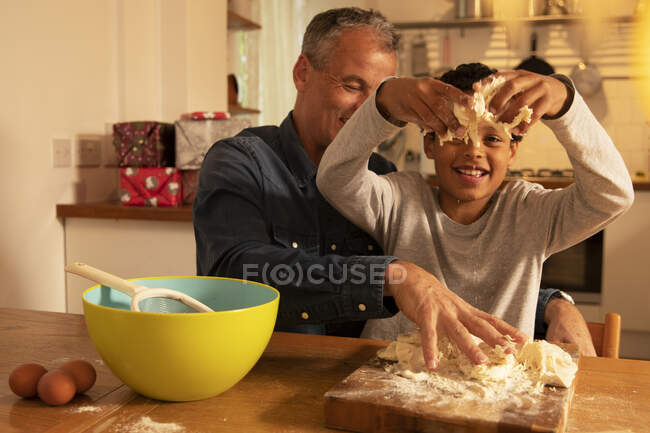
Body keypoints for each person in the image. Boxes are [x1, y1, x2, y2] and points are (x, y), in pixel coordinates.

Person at [193, 7, 596, 368]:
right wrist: (390, 275)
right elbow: (236, 272)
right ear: (302, 73)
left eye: (379, 95)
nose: (365, 110)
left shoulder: (383, 177)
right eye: (353, 86)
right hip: (260, 376)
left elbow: (448, 275)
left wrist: (552, 304)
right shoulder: (241, 161)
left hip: (364, 386)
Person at [316, 63, 634, 360]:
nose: (473, 151)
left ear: (512, 151)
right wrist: (384, 104)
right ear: (429, 144)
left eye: (492, 138)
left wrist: (565, 104)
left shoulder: (530, 212)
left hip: (496, 384)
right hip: (393, 371)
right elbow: (334, 178)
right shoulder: (400, 199)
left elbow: (612, 195)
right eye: (456, 134)